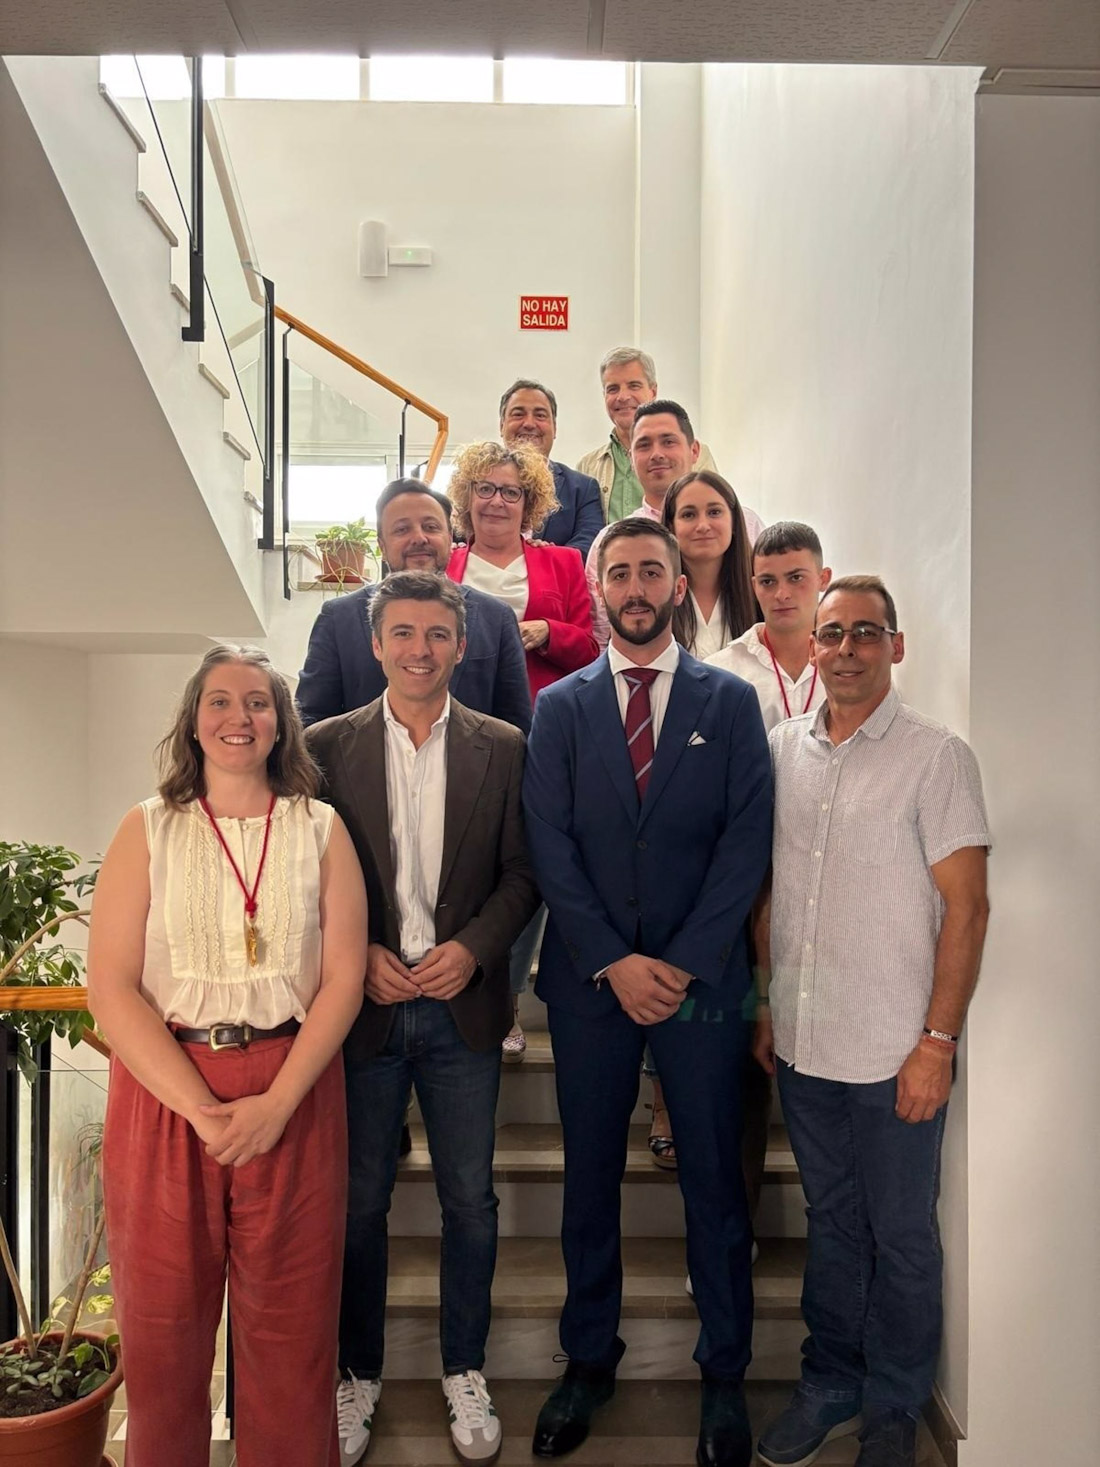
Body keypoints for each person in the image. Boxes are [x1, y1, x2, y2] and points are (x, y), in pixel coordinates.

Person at [523, 519, 773, 1467]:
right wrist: (612, 960)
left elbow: (746, 839)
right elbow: (549, 841)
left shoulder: (731, 701)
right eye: (618, 569)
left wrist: (684, 959)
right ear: (596, 586)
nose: (635, 584)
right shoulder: (562, 710)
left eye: (651, 570)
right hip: (591, 985)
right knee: (588, 1181)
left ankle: (724, 1376)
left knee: (714, 1181)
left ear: (678, 584)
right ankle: (588, 1359)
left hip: (700, 984)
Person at [87, 646, 368, 1467]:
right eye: (219, 700)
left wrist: (276, 1103)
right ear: (193, 719)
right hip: (165, 1097)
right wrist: (200, 1108)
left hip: (295, 1088)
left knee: (292, 1337)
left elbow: (344, 977)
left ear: (281, 721)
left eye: (257, 701)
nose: (238, 717)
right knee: (162, 1338)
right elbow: (111, 988)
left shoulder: (321, 827)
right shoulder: (147, 827)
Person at [754, 576, 990, 1467]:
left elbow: (966, 910)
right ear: (809, 647)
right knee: (832, 1220)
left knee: (902, 1231)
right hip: (808, 1045)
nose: (846, 648)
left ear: (896, 645)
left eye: (865, 632)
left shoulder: (938, 756)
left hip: (898, 1052)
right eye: (831, 633)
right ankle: (830, 1379)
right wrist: (767, 1003)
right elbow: (770, 890)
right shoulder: (782, 750)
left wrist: (938, 1042)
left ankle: (894, 1403)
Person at [306, 571, 539, 1467]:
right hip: (359, 1012)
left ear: (463, 642)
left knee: (469, 1202)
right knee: (358, 1202)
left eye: (436, 634)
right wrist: (354, 953)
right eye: (402, 634)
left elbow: (525, 874)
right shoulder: (323, 747)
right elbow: (305, 880)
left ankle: (463, 1366)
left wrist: (475, 948)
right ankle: (355, 1373)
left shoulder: (505, 746)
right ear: (375, 644)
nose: (419, 650)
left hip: (460, 1009)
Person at [446, 440, 599, 1059]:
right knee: (465, 865)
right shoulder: (446, 567)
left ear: (530, 502)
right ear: (467, 498)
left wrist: (547, 633)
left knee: (526, 865)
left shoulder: (563, 563)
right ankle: (459, 985)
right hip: (459, 742)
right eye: (485, 488)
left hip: (542, 740)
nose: (497, 501)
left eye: (511, 490)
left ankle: (505, 997)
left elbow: (593, 646)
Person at [296, 477, 531, 735]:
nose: (419, 538)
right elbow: (311, 725)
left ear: (450, 537)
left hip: (470, 774)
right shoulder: (339, 619)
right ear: (382, 546)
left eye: (430, 527)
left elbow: (517, 728)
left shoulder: (495, 619)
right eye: (401, 530)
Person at [583, 398, 699, 651]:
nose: (657, 454)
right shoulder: (610, 542)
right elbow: (601, 635)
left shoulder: (742, 524)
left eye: (668, 441)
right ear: (632, 457)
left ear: (694, 450)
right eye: (644, 445)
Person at [707, 521, 831, 729]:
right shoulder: (720, 673)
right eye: (767, 582)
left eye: (796, 577)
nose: (782, 594)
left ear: (823, 579)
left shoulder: (852, 667)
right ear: (754, 586)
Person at [576, 348, 719, 522]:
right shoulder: (588, 466)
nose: (623, 396)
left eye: (633, 386)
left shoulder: (696, 455)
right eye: (613, 389)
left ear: (653, 391)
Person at [499, 379, 604, 556]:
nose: (529, 423)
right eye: (518, 414)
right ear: (501, 425)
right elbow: (457, 539)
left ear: (554, 428)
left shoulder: (583, 490)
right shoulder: (476, 484)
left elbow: (589, 548)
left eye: (540, 415)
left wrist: (539, 559)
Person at [663, 470, 758, 660]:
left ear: (733, 522)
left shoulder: (760, 592)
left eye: (714, 512)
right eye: (689, 515)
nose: (703, 525)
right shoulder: (656, 596)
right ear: (671, 526)